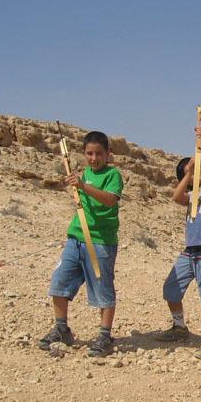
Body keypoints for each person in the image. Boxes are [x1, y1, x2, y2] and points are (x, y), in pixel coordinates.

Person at [39, 130, 124, 357]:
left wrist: (83, 186)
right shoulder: (84, 173)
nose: (93, 158)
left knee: (103, 290)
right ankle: (61, 329)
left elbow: (109, 200)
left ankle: (105, 336)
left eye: (98, 154)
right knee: (59, 281)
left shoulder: (113, 175)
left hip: (100, 241)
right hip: (76, 238)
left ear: (108, 154)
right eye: (89, 154)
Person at [154, 125, 201, 359]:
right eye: (191, 172)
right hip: (190, 253)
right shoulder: (189, 197)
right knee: (171, 288)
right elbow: (175, 196)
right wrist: (188, 173)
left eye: (199, 169)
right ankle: (179, 328)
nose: (198, 173)